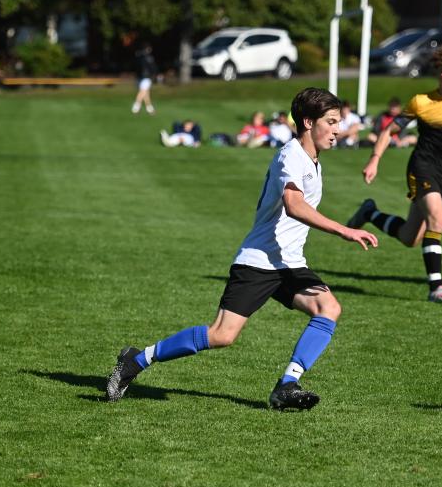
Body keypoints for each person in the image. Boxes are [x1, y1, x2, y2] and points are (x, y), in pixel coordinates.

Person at [106, 87, 380, 410]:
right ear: (308, 122)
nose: (338, 130)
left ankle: (287, 384)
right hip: (259, 261)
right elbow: (294, 205)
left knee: (329, 308)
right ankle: (136, 360)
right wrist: (343, 230)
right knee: (222, 335)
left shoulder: (313, 160)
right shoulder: (290, 155)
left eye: (338, 122)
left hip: (289, 263)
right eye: (331, 122)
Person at [346, 42, 442, 303]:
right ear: (438, 73)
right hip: (422, 167)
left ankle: (370, 212)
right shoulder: (421, 102)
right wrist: (374, 159)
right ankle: (436, 288)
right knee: (438, 219)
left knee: (410, 237)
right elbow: (389, 130)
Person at [132, 42, 157, 115]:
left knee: (146, 93)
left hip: (139, 76)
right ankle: (136, 107)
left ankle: (149, 108)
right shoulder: (148, 57)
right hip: (146, 76)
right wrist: (154, 74)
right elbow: (152, 67)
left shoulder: (138, 56)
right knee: (143, 92)